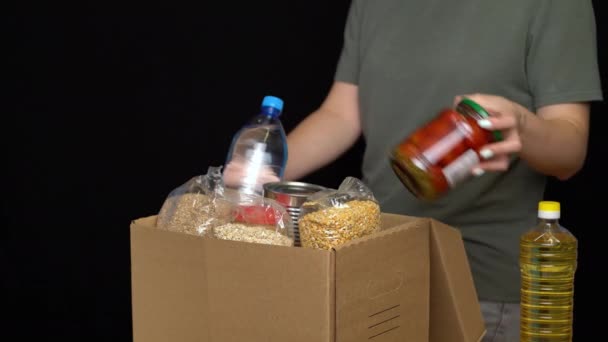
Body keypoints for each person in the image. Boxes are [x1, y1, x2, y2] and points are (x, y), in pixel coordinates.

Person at [283, 0, 603, 340]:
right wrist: (256, 168)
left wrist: (521, 126)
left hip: (478, 289)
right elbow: (341, 115)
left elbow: (570, 151)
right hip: (374, 274)